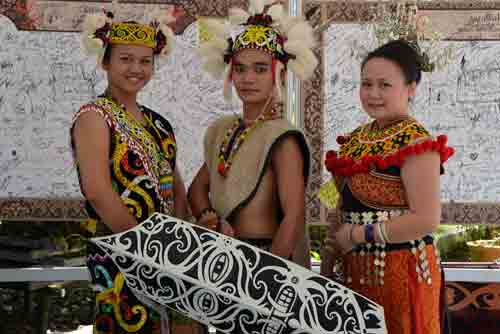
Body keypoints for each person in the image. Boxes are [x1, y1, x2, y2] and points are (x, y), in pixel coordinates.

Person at [320, 39, 454, 334]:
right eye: (366, 84)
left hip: (403, 272)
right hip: (355, 271)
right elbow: (335, 197)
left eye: (384, 85)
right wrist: (329, 252)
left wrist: (356, 235)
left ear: (411, 87)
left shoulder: (419, 144)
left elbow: (426, 219)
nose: (373, 94)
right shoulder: (354, 140)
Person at [71, 8, 189, 333]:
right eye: (125, 59)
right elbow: (96, 190)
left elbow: (176, 188)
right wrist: (144, 250)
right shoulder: (94, 117)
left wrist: (175, 246)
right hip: (119, 251)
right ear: (106, 61)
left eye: (145, 61)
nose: (135, 69)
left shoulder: (159, 123)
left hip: (165, 254)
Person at [188, 0, 317, 265]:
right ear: (230, 74)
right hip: (222, 257)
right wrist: (210, 219)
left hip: (265, 256)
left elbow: (294, 216)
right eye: (240, 68)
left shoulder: (283, 138)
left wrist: (269, 275)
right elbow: (197, 190)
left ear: (279, 75)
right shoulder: (222, 130)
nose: (248, 79)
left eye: (260, 69)